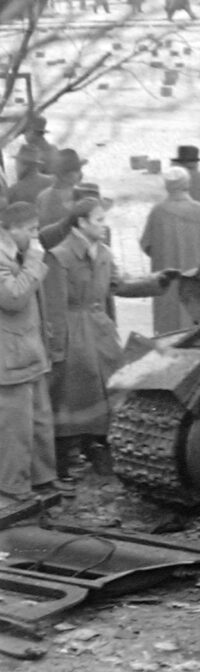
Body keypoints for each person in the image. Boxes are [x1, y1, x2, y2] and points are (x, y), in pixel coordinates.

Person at [42, 198, 173, 482]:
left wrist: (156, 282)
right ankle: (64, 461)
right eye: (99, 219)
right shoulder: (59, 257)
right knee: (71, 396)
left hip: (100, 331)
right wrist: (56, 350)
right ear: (81, 223)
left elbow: (119, 284)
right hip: (72, 333)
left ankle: (97, 449)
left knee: (108, 388)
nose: (104, 225)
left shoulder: (103, 252)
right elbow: (53, 308)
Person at [0, 202, 59, 509]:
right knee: (16, 429)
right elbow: (12, 297)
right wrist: (35, 259)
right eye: (31, 230)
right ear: (11, 229)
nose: (36, 236)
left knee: (38, 423)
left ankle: (42, 480)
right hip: (9, 358)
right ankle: (14, 490)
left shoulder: (19, 255)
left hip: (29, 352)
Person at [140, 168, 200, 334]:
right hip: (195, 280)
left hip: (167, 282)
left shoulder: (158, 212)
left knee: (167, 329)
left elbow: (146, 244)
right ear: (187, 184)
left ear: (167, 186)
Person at [34, 149, 85, 227]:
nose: (81, 173)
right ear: (67, 175)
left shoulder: (42, 196)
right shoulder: (70, 198)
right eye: (77, 170)